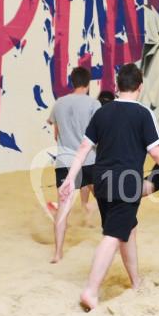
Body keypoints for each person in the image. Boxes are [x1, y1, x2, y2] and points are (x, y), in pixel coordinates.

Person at [58, 63, 159, 311]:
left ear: (117, 86)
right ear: (140, 87)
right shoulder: (143, 113)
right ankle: (91, 291)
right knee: (113, 235)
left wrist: (69, 179)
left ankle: (136, 281)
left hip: (102, 182)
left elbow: (83, 149)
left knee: (128, 229)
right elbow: (156, 153)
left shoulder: (102, 113)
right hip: (126, 184)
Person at [48, 66, 100, 263]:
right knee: (106, 202)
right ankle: (114, 242)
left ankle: (58, 252)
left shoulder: (59, 103)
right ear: (88, 84)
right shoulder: (93, 104)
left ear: (72, 82)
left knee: (63, 207)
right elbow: (98, 133)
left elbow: (56, 133)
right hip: (89, 160)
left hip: (64, 161)